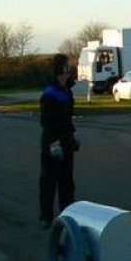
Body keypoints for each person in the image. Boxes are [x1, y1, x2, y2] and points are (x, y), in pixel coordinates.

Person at [39, 53, 79, 229]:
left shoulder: (66, 90)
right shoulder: (50, 93)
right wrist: (53, 144)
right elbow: (47, 121)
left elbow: (67, 119)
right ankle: (46, 217)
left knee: (67, 182)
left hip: (66, 141)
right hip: (52, 142)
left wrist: (72, 135)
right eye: (68, 67)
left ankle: (67, 215)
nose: (71, 70)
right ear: (62, 69)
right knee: (49, 181)